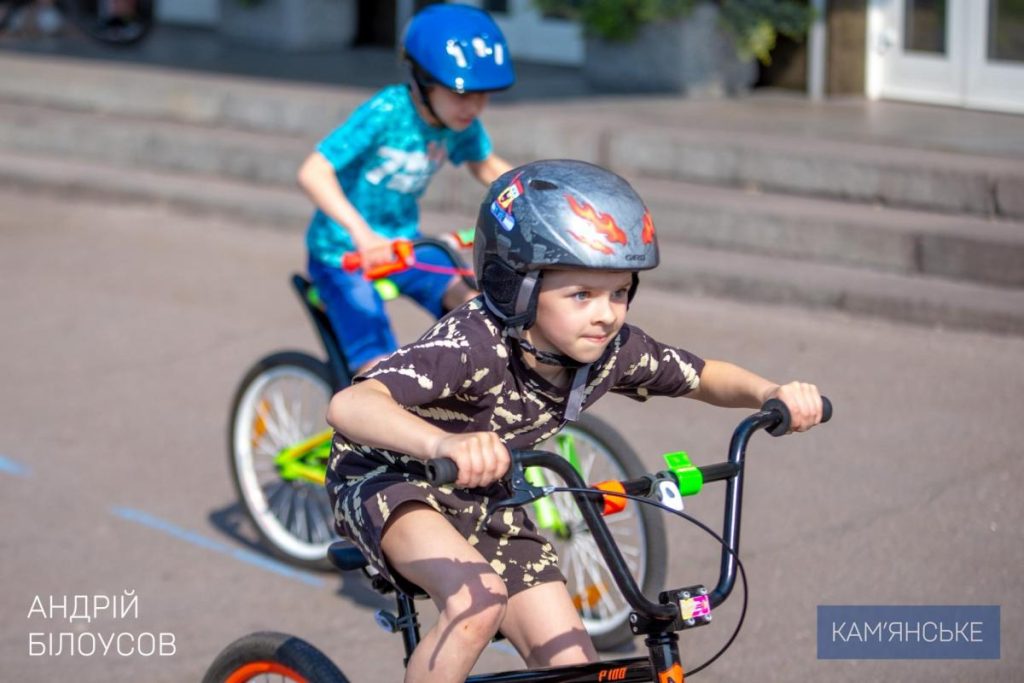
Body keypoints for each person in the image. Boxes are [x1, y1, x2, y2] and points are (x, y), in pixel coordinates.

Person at [325, 159, 825, 683]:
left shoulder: (610, 352)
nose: (606, 314)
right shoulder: (472, 344)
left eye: (619, 292)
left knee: (574, 669)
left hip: (490, 494)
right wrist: (439, 445)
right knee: (479, 602)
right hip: (392, 480)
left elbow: (702, 376)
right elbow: (351, 406)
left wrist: (770, 393)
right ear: (517, 287)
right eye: (581, 295)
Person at [298, 3, 514, 375]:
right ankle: (378, 417)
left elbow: (489, 167)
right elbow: (313, 172)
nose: (474, 107)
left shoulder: (458, 123)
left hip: (402, 245)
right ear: (422, 79)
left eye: (483, 95)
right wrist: (362, 236)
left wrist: (544, 200)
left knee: (478, 309)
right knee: (380, 364)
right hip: (343, 254)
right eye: (462, 94)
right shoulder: (387, 112)